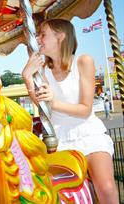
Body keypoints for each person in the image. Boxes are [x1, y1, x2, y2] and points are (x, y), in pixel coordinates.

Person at [22, 19, 118, 204]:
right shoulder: (43, 70)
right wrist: (27, 78)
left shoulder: (83, 62)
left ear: (60, 36)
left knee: (106, 188)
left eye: (43, 34)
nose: (38, 39)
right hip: (61, 139)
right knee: (57, 194)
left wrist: (53, 102)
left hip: (89, 135)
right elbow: (43, 105)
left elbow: (85, 109)